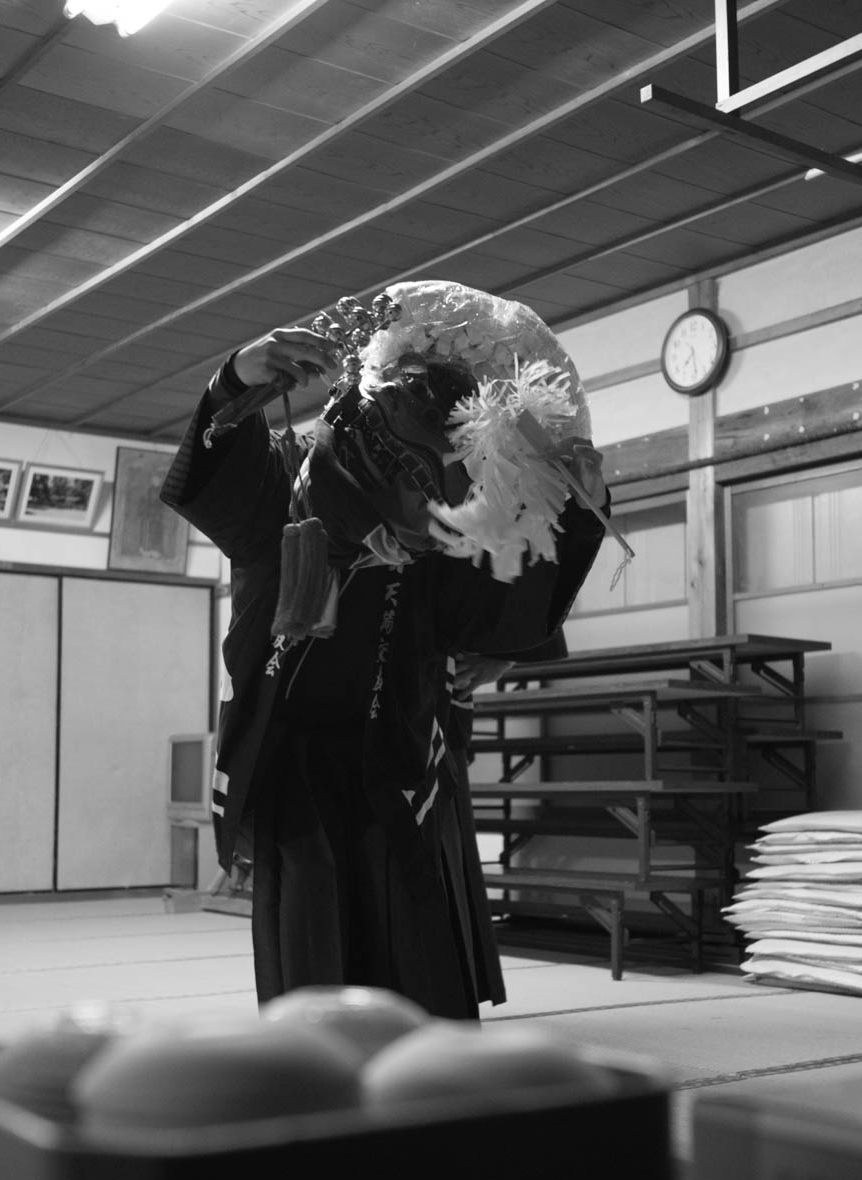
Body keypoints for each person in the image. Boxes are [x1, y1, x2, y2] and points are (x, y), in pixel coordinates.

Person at [160, 315, 608, 1019]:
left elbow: (514, 583)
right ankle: (320, 1063)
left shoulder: (457, 496)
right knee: (316, 922)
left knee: (418, 915)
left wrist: (499, 649)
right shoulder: (287, 478)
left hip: (410, 739)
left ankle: (429, 1059)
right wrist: (233, 379)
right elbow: (214, 467)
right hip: (297, 748)